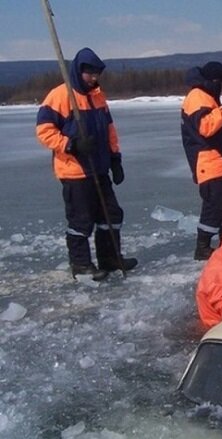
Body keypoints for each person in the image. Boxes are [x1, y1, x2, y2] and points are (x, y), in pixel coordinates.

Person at [36, 47, 138, 281]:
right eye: (89, 73)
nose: (94, 78)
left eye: (96, 73)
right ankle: (81, 264)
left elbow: (110, 130)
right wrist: (71, 144)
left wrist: (115, 159)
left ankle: (109, 258)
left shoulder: (97, 97)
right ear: (78, 71)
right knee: (81, 220)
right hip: (74, 170)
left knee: (111, 215)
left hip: (100, 167)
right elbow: (43, 131)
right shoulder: (61, 95)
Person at [181, 61, 222, 260]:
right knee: (214, 205)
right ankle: (203, 247)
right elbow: (205, 127)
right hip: (207, 161)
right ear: (212, 80)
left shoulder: (206, 96)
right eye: (219, 82)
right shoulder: (197, 97)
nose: (221, 86)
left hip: (216, 161)